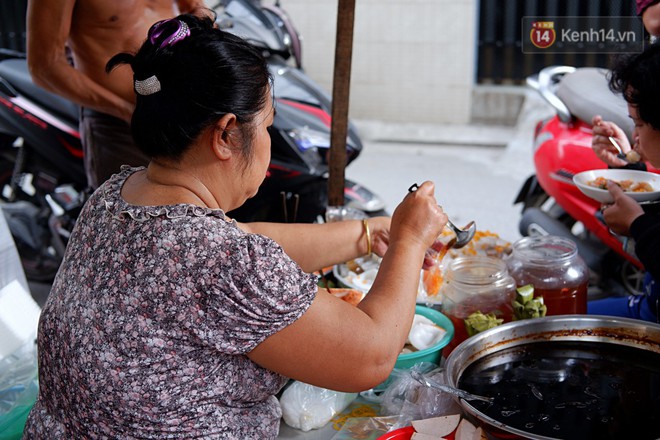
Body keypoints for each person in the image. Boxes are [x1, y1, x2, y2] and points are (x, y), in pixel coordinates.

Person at [22, 15, 449, 438]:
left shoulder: (116, 195)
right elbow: (369, 359)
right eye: (266, 126)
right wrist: (410, 240)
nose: (268, 141)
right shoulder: (220, 259)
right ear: (225, 134)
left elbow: (244, 239)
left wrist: (366, 233)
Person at [25, 0, 210, 189]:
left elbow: (195, 8)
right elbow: (45, 66)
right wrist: (126, 111)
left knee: (216, 207)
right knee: (131, 212)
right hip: (119, 123)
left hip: (188, 109)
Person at [589, 43, 660, 323]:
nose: (635, 136)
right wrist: (626, 163)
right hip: (648, 306)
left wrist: (636, 225)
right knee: (555, 313)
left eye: (639, 124)